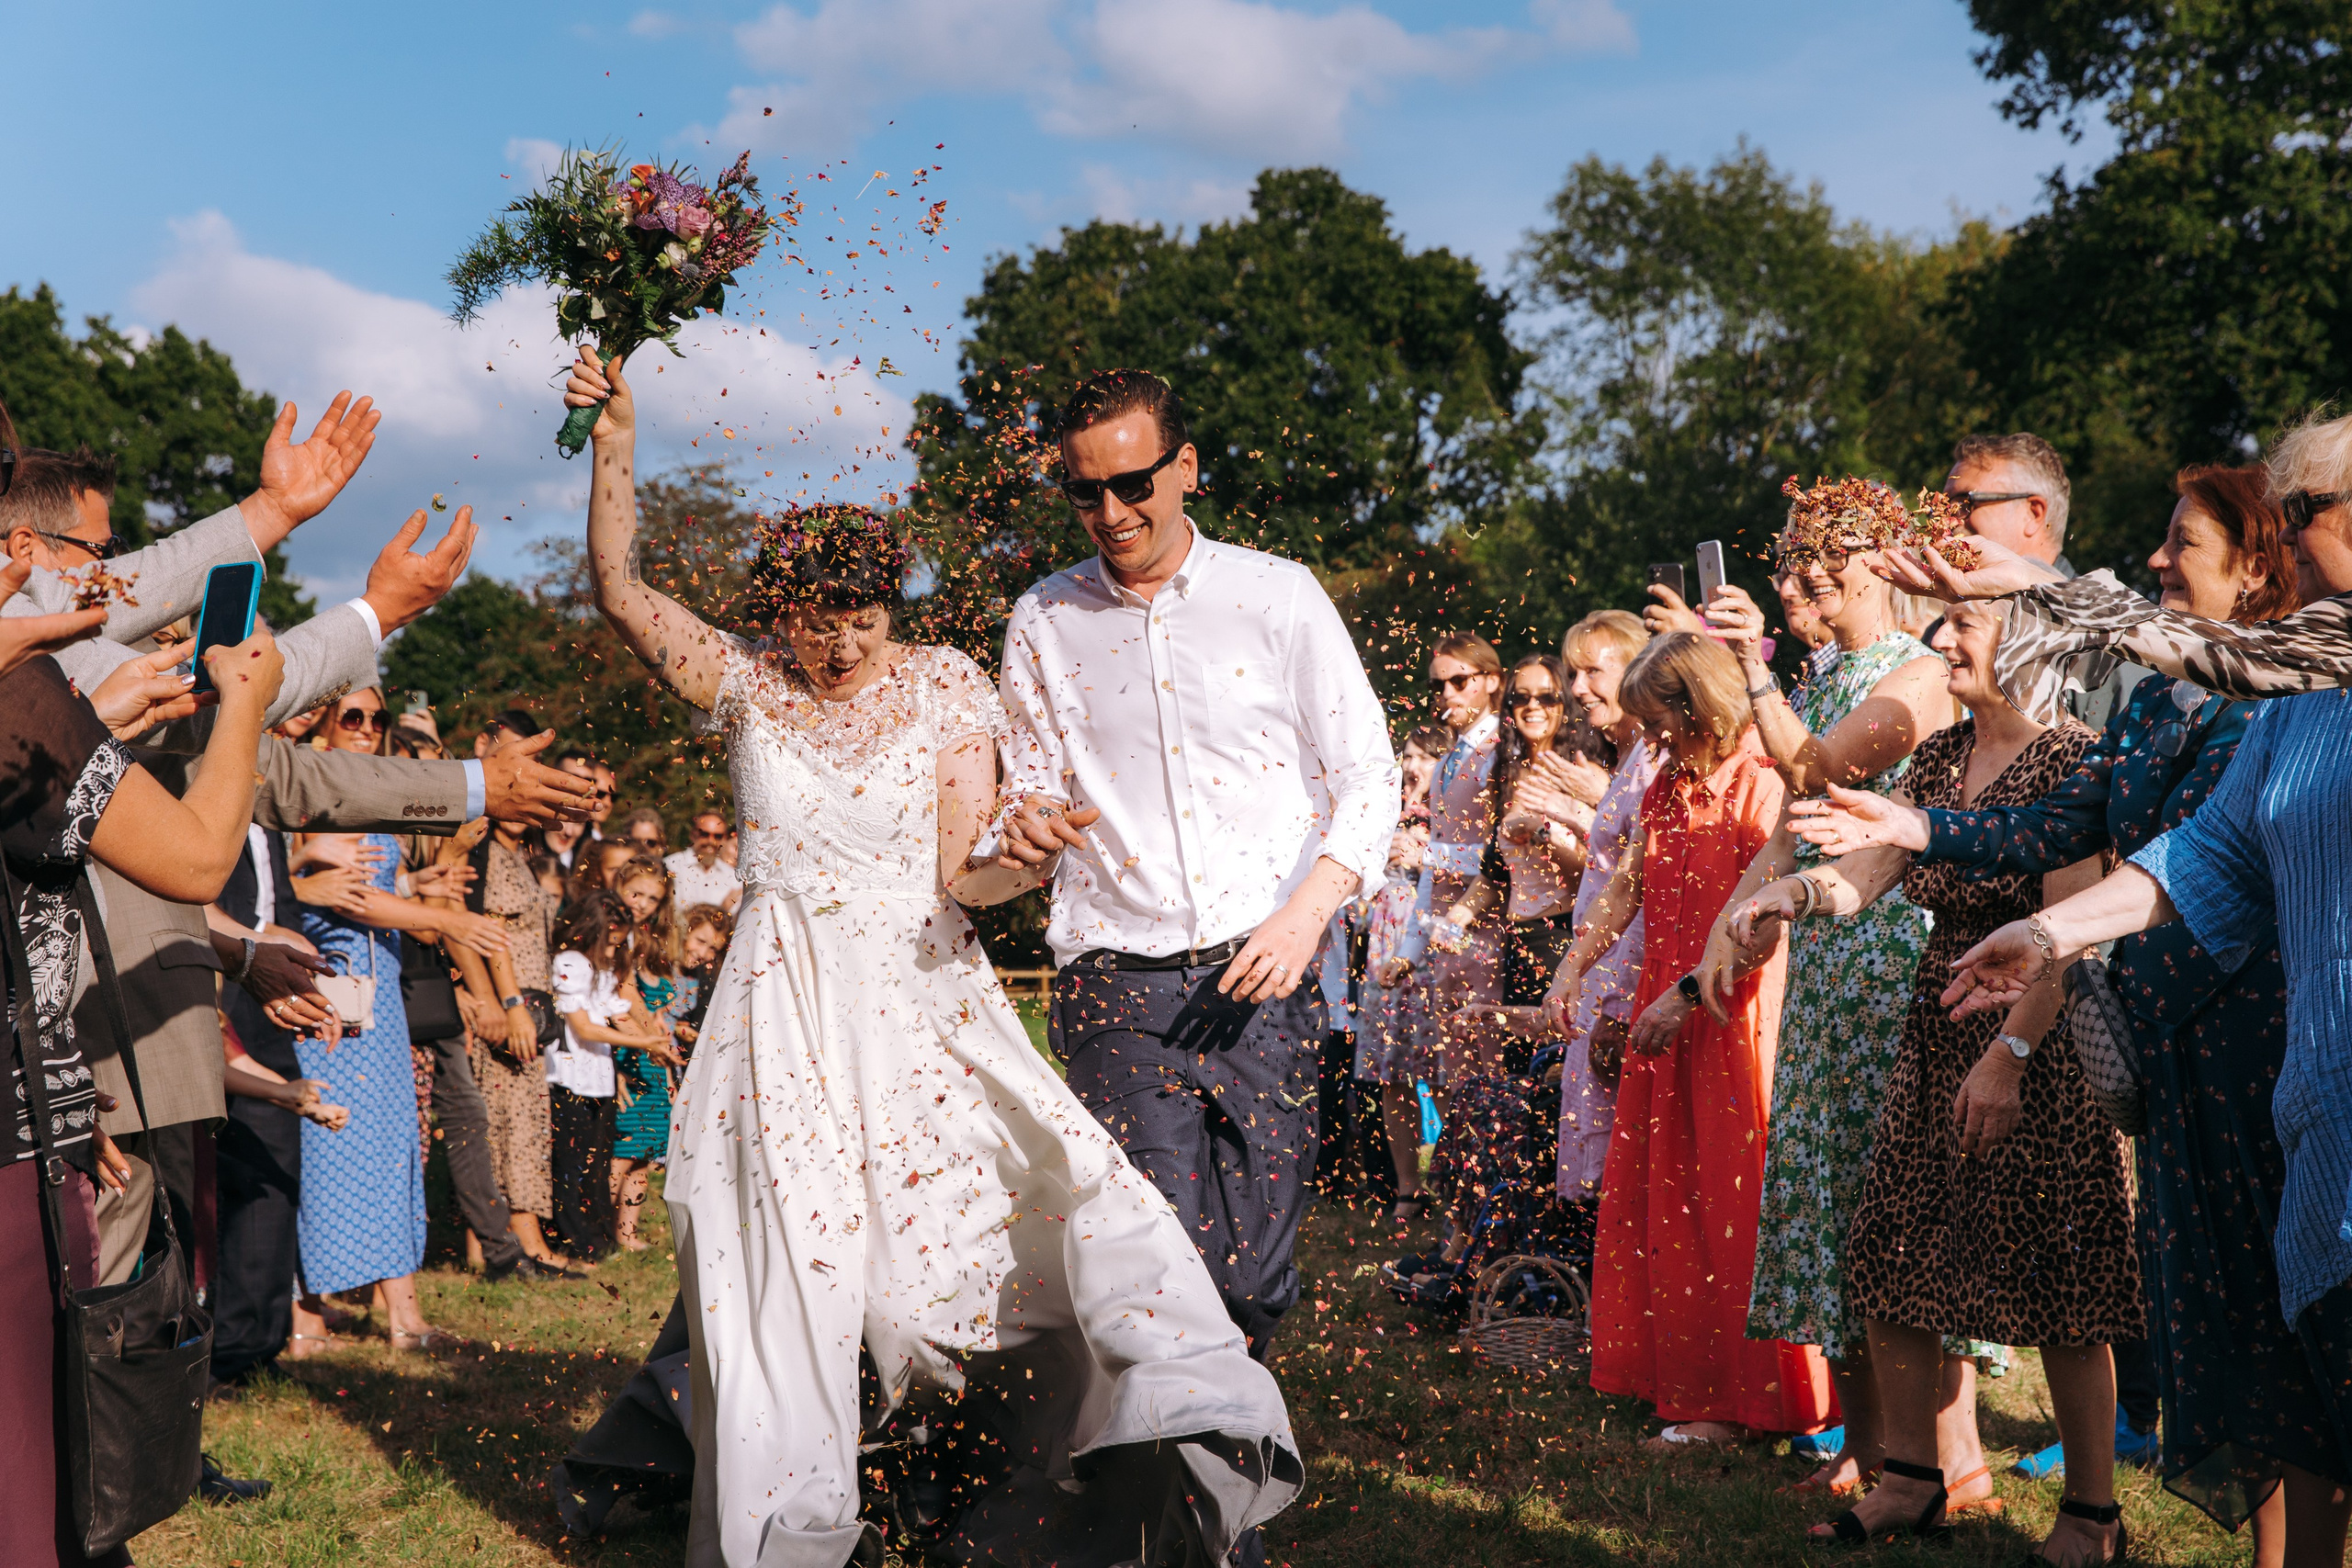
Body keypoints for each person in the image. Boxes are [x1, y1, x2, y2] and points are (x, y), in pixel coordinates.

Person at [570, 346, 1301, 1566]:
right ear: (779, 608)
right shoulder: (744, 685)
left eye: (863, 613)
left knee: (961, 1257)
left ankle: (1061, 1481)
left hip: (919, 997)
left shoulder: (946, 685)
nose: (843, 640)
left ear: (889, 605)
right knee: (796, 1264)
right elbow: (616, 585)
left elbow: (968, 872)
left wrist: (1036, 852)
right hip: (782, 1006)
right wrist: (616, 435)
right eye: (816, 615)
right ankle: (792, 1513)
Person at [1794, 465, 2347, 1562]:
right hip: (2221, 1063)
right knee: (2265, 1349)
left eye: (2182, 543)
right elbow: (2180, 853)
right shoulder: (2208, 705)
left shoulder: (2280, 682)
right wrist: (1971, 873)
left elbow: (2238, 686)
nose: (2155, 557)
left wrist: (2040, 585)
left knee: (2298, 1345)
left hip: (2259, 1034)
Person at [989, 367, 1396, 1381]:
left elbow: (1367, 773)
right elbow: (1024, 788)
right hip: (1114, 975)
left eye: (1132, 484)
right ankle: (1175, 1518)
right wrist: (1026, 823)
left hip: (1265, 972)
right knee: (1155, 1255)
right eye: (1085, 492)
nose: (1111, 513)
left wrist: (1308, 915)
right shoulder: (1042, 621)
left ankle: (1213, 1454)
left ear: (1186, 470)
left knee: (1252, 1274)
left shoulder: (1277, 594)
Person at [1726, 599, 2134, 1561]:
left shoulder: (2077, 760)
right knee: (1888, 1253)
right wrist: (1794, 892)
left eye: (1962, 628)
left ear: (2027, 642)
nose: (1941, 644)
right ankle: (1910, 1479)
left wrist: (2010, 1059)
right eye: (1941, 626)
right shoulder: (1942, 756)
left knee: (2061, 1282)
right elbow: (1870, 869)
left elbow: (2069, 939)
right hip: (1934, 1026)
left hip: (2035, 1043)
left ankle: (2091, 1513)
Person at [1685, 483, 1958, 1498]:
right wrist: (1729, 923)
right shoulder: (1832, 670)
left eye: (1816, 570)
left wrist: (1751, 672)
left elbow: (1813, 769)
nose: (1797, 585)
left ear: (1875, 567)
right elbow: (1786, 829)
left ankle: (1932, 1456)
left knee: (1886, 1194)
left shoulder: (1919, 674)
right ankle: (1859, 1443)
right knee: (1824, 1194)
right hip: (1824, 965)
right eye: (1792, 565)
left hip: (1890, 949)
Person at [0, 631, 283, 1567]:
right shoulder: (12, 689)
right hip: (10, 1166)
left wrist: (65, 1099)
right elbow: (201, 859)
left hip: (34, 1122)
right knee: (36, 1473)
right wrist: (242, 699)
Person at [1544, 631, 1834, 1448]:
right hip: (1667, 1011)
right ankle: (1684, 1380)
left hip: (1735, 1011)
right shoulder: (1669, 783)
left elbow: (1765, 922)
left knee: (1735, 1205)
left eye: (1658, 718)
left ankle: (1757, 1398)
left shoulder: (1760, 781)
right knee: (1667, 1202)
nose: (1648, 736)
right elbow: (1627, 883)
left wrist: (1685, 997)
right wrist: (1573, 964)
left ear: (1701, 703)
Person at [288, 686, 509, 1354]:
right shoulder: (310, 789)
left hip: (379, 1002)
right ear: (324, 717)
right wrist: (446, 918)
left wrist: (422, 888)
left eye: (376, 717)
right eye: (350, 714)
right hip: (329, 1001)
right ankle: (306, 1314)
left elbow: (379, 887)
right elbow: (351, 899)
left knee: (393, 1148)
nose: (365, 727)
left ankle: (403, 1316)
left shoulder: (369, 790)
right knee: (328, 1151)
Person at [1548, 612, 1656, 1217]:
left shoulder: (1650, 762)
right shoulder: (1629, 756)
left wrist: (1618, 1008)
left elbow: (1642, 896)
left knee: (1617, 1171)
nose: (1579, 687)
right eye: (1573, 672)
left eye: (1595, 670)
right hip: (1596, 985)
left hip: (1622, 991)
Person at [1355, 724, 1445, 1221]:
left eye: (1425, 757)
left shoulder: (1460, 811)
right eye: (1408, 756)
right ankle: (1407, 1190)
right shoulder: (1387, 810)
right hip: (1384, 948)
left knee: (1443, 1074)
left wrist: (1422, 854)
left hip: (1437, 947)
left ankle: (1455, 1188)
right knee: (1391, 1077)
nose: (1413, 767)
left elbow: (1486, 869)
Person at [546, 888, 664, 1263]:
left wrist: (652, 1042)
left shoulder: (602, 970)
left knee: (594, 1163)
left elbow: (619, 1015)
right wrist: (644, 1039)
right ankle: (570, 1238)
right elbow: (585, 1028)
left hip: (598, 1081)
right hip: (568, 1081)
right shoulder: (569, 963)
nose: (614, 953)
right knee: (569, 1164)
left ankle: (593, 1233)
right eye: (610, 943)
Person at [609, 855, 687, 1250]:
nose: (641, 903)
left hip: (650, 1057)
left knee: (643, 1150)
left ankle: (627, 1232)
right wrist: (647, 1037)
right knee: (622, 1149)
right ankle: (600, 1228)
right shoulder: (611, 936)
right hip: (627, 1051)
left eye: (652, 898)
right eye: (635, 892)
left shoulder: (645, 943)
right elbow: (619, 996)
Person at [664, 809, 742, 919]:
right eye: (704, 834)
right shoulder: (671, 866)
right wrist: (722, 910)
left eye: (717, 836)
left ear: (724, 839)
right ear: (693, 834)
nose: (711, 841)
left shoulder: (732, 876)